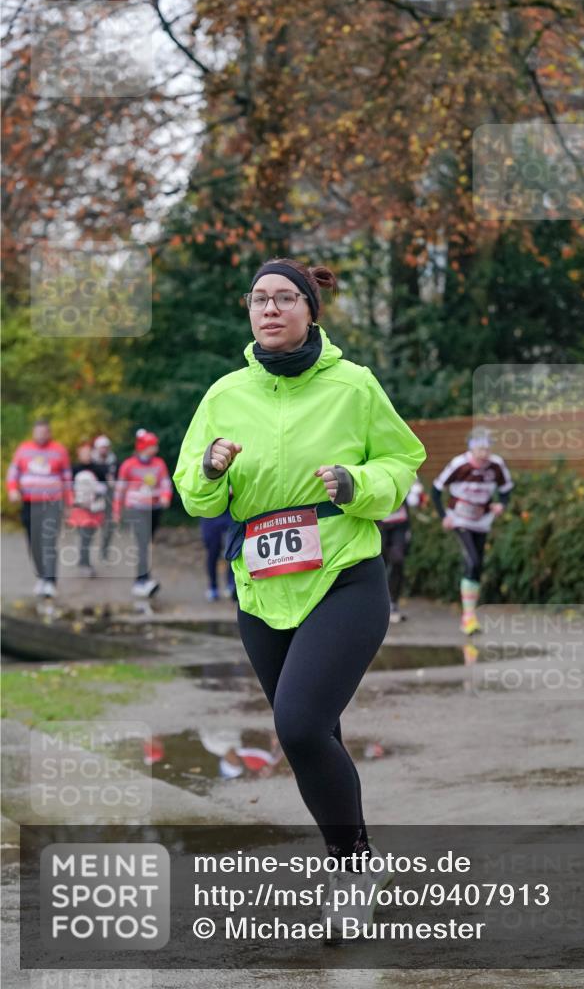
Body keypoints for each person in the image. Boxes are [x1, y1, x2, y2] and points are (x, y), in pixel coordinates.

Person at [174, 257, 426, 938]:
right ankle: (356, 860)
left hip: (344, 571)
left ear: (311, 310)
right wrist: (210, 470)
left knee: (299, 725)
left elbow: (402, 460)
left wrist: (355, 484)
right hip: (261, 585)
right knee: (322, 733)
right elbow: (193, 492)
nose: (271, 308)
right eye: (259, 299)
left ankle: (350, 869)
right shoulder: (225, 394)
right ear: (248, 312)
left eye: (285, 297)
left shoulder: (353, 385)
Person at [431, 427, 513, 635]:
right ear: (471, 449)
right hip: (460, 519)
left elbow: (506, 490)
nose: (484, 454)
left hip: (482, 520)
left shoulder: (497, 465)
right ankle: (468, 618)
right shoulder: (460, 465)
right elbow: (436, 489)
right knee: (473, 560)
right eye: (480, 449)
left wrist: (501, 505)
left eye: (488, 449)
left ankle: (469, 617)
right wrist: (445, 516)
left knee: (478, 566)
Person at [6, 418, 72, 598]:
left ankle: (51, 581)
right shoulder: (23, 449)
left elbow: (67, 478)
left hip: (52, 502)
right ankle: (42, 577)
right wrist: (12, 490)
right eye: (38, 432)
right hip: (29, 502)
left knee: (48, 541)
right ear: (33, 432)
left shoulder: (59, 451)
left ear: (49, 433)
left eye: (44, 432)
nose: (41, 435)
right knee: (34, 542)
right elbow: (13, 473)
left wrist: (69, 503)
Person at [113, 429, 173, 598]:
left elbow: (165, 483)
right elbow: (120, 489)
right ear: (142, 447)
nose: (155, 449)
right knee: (142, 544)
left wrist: (165, 497)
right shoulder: (129, 465)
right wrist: (117, 511)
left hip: (154, 509)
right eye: (152, 446)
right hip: (136, 509)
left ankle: (143, 579)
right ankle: (141, 581)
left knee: (147, 544)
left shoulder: (159, 464)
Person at [379, 479, 427, 623]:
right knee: (378, 563)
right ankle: (379, 603)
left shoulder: (399, 462)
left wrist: (417, 492)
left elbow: (415, 493)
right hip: (378, 525)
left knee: (397, 560)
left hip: (399, 525)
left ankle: (393, 603)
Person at [67, 440, 108, 576]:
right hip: (79, 509)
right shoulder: (73, 469)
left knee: (88, 536)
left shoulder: (99, 469)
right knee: (84, 535)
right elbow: (68, 489)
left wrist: (93, 495)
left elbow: (104, 488)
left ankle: (84, 561)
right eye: (83, 452)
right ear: (79, 454)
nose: (86, 455)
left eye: (88, 452)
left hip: (94, 509)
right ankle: (84, 564)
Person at [200, 509, 237, 601]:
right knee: (212, 552)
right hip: (209, 513)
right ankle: (213, 587)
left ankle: (231, 584)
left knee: (234, 549)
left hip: (230, 511)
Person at [91, 434, 118, 560]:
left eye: (106, 447)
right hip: (93, 496)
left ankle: (104, 550)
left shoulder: (114, 461)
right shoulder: (90, 462)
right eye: (102, 447)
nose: (104, 450)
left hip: (108, 496)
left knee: (108, 524)